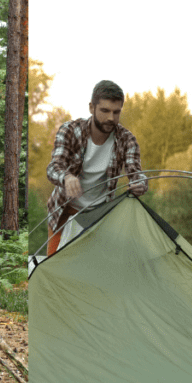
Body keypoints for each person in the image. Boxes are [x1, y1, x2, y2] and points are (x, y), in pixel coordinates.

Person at [45, 80, 148, 256]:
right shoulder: (69, 130)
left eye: (116, 112)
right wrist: (67, 177)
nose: (111, 118)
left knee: (89, 270)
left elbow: (136, 173)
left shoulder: (127, 140)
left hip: (99, 215)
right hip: (64, 211)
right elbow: (54, 168)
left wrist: (141, 183)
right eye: (105, 111)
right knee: (53, 269)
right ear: (91, 107)